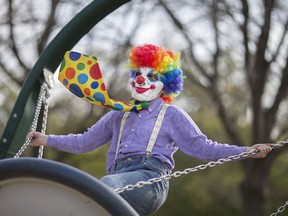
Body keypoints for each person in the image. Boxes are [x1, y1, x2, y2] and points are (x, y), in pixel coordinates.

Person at [28, 44, 272, 216]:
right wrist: (46, 139)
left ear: (165, 83)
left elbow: (203, 147)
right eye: (137, 74)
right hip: (117, 177)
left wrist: (246, 151)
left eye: (151, 76)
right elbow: (85, 141)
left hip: (149, 181)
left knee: (103, 187)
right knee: (101, 190)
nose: (141, 81)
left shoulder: (172, 115)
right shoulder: (119, 113)